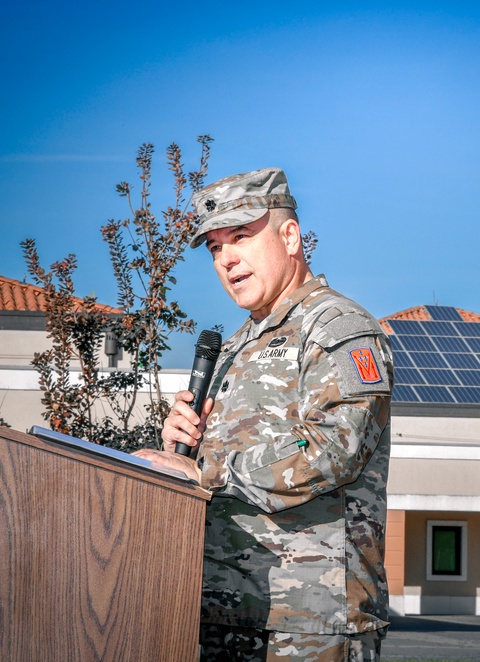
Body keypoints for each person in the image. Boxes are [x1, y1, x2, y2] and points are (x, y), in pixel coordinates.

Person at [135, 167, 393, 661]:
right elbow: (214, 471)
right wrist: (179, 449)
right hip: (226, 611)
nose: (226, 258)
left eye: (240, 238)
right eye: (214, 247)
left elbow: (334, 448)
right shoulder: (235, 346)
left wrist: (205, 469)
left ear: (289, 236)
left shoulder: (339, 327)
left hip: (312, 620)